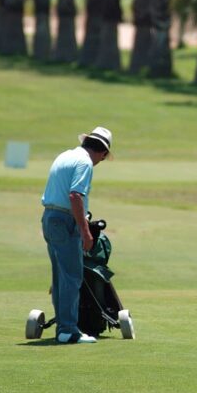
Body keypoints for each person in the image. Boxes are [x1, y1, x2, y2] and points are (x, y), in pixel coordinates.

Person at [40, 126, 112, 344]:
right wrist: (85, 230)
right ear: (102, 152)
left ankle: (64, 328)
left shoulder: (65, 155)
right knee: (72, 277)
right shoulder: (85, 163)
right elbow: (75, 196)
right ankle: (69, 330)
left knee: (61, 277)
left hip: (49, 217)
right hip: (65, 221)